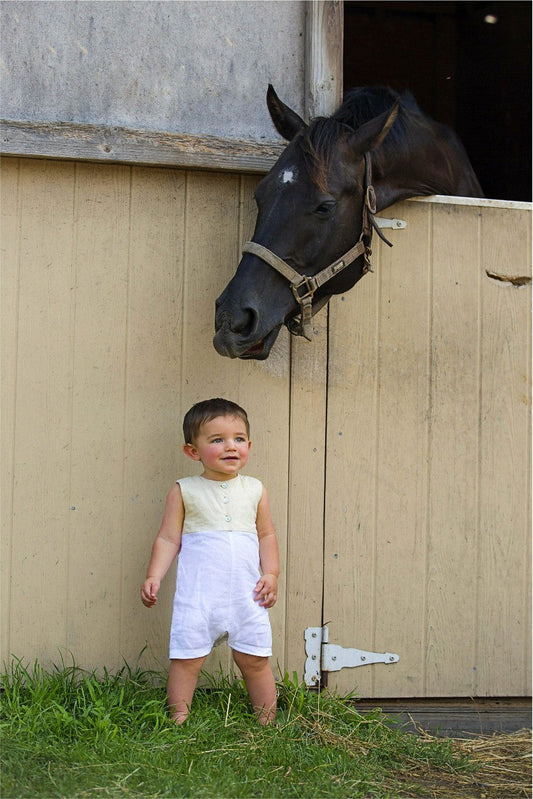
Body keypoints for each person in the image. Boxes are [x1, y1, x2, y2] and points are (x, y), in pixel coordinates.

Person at [141, 398, 279, 725]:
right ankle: (178, 720)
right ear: (193, 451)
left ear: (249, 444)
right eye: (217, 440)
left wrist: (271, 574)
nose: (231, 446)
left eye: (239, 439)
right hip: (199, 597)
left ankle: (268, 723)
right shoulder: (185, 490)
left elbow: (267, 536)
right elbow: (167, 539)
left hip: (248, 595)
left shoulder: (255, 489)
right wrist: (154, 576)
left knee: (255, 660)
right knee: (187, 659)